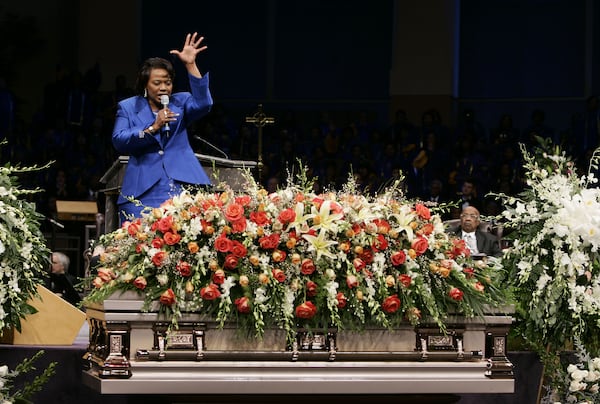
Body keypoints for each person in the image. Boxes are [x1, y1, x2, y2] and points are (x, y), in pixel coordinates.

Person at [112, 32, 213, 221]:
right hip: (142, 188)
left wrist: (190, 65)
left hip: (181, 185)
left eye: (168, 82)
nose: (164, 88)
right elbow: (119, 140)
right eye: (157, 83)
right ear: (145, 85)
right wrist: (152, 127)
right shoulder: (128, 107)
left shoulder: (180, 102)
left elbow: (203, 104)